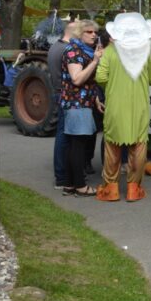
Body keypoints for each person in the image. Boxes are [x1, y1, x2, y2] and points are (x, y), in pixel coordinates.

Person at [95, 13, 151, 202]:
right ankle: (133, 189)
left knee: (112, 146)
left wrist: (112, 86)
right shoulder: (146, 52)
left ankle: (110, 189)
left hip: (115, 105)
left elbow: (100, 77)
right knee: (139, 145)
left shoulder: (110, 52)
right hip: (139, 106)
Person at [60, 20, 103, 196]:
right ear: (79, 33)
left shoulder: (83, 50)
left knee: (74, 145)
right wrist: (95, 62)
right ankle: (80, 186)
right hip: (76, 104)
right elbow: (77, 79)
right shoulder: (74, 51)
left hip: (82, 103)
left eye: (95, 32)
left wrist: (95, 99)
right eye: (89, 32)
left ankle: (70, 184)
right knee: (78, 146)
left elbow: (87, 83)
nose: (93, 35)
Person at [49, 21, 77, 189]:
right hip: (65, 94)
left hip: (58, 92)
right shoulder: (67, 50)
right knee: (64, 136)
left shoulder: (54, 47)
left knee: (62, 134)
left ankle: (62, 174)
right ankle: (61, 175)